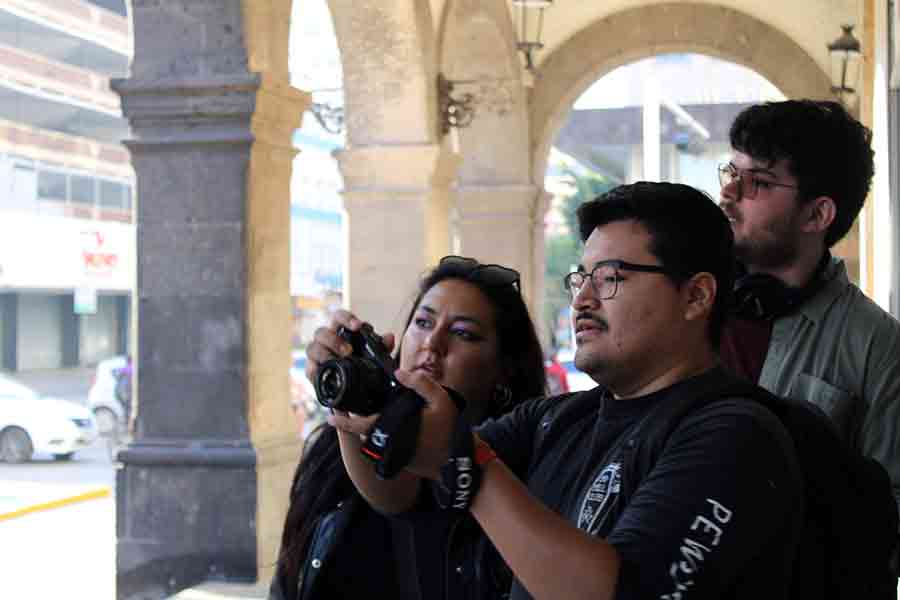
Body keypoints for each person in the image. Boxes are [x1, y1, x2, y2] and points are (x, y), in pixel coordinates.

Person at [323, 182, 804, 599]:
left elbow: (622, 591)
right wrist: (356, 409)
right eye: (580, 278)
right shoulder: (556, 419)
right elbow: (404, 493)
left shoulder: (734, 436)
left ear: (696, 296)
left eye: (610, 278)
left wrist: (467, 464)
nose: (583, 299)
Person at [270, 255, 547, 600]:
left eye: (463, 333)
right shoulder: (335, 444)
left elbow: (405, 496)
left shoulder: (520, 477)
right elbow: (290, 577)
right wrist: (343, 392)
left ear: (504, 370)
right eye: (423, 322)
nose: (432, 344)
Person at [718, 99, 900, 516]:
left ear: (817, 214)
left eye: (758, 182)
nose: (729, 193)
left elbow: (892, 515)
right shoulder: (687, 301)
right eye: (731, 173)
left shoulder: (878, 345)